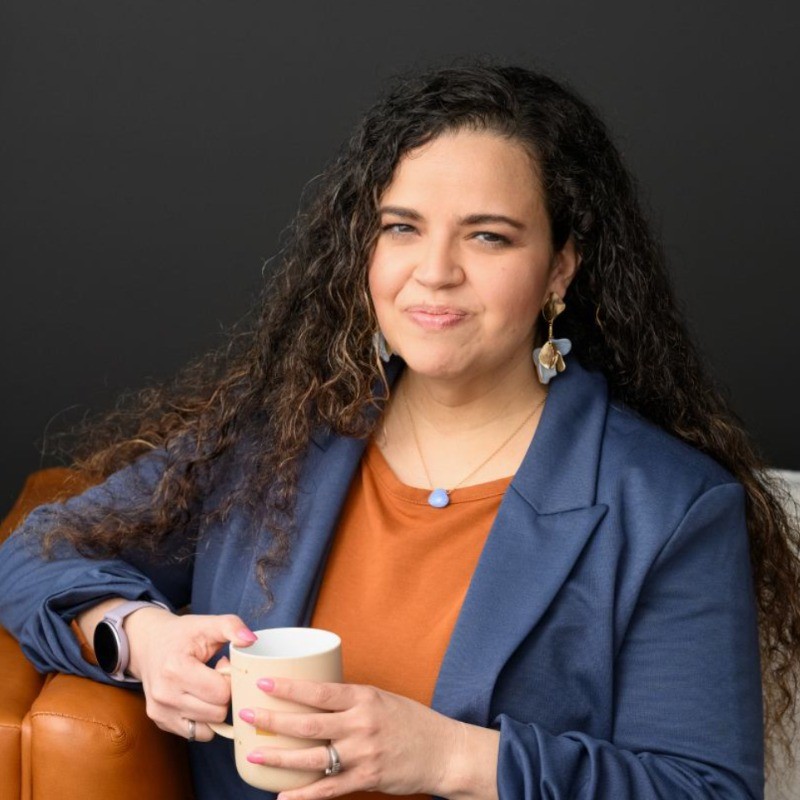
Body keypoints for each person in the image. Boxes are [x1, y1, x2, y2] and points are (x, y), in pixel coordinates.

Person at [0, 61, 798, 800]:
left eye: (488, 235)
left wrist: (452, 756)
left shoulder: (671, 507)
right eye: (402, 227)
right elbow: (36, 552)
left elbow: (704, 788)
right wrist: (138, 638)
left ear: (561, 267)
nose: (435, 271)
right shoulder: (277, 435)